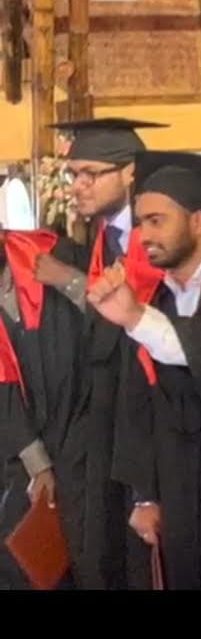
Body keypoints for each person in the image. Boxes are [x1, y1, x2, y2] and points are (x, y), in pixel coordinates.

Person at [89, 153, 201, 590]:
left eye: (157, 221)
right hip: (177, 486)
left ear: (199, 221)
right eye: (140, 223)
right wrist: (144, 494)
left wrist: (137, 319)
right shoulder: (153, 298)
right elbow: (137, 402)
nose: (144, 235)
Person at [33, 118, 165, 590]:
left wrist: (67, 280)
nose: (78, 186)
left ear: (130, 172)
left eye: (91, 173)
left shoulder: (153, 236)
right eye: (74, 175)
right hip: (105, 414)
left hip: (148, 414)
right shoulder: (104, 237)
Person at [1, 224, 87, 589]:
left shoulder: (54, 254)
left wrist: (68, 280)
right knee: (28, 564)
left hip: (87, 439)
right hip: (20, 455)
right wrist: (37, 464)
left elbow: (112, 324)